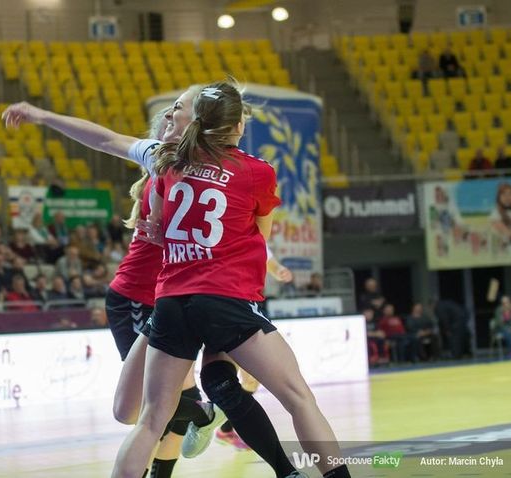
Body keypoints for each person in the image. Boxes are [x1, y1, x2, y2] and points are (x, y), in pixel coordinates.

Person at [3, 87, 303, 478]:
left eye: (180, 108)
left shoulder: (216, 167)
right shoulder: (164, 158)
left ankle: (214, 427)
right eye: (171, 109)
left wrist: (270, 263)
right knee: (143, 409)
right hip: (143, 296)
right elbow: (104, 138)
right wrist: (42, 115)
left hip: (184, 298)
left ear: (200, 121)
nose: (170, 114)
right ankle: (206, 414)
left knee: (166, 406)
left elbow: (242, 231)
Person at [111, 81, 347, 477]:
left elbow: (158, 228)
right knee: (298, 398)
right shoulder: (256, 171)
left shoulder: (169, 164)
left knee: (151, 421)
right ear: (238, 125)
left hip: (172, 301)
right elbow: (261, 236)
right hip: (226, 299)